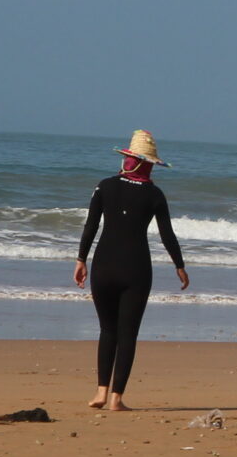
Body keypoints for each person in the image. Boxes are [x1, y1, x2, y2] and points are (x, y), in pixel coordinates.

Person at [74, 129, 186, 412]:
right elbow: (167, 234)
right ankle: (116, 399)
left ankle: (100, 392)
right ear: (148, 164)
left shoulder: (104, 186)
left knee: (107, 330)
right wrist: (179, 265)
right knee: (128, 334)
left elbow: (91, 227)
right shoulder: (155, 194)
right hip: (136, 270)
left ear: (128, 159)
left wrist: (80, 260)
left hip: (103, 267)